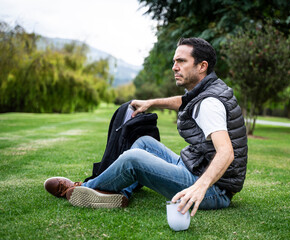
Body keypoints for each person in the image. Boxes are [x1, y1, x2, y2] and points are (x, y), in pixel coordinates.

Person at [44, 37, 247, 217]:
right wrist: (151, 102)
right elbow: (184, 102)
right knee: (143, 142)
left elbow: (226, 152)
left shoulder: (210, 103)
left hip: (212, 190)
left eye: (181, 61)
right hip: (194, 166)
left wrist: (200, 187)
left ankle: (82, 189)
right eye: (174, 61)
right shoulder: (207, 89)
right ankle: (120, 193)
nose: (174, 67)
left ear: (202, 66)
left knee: (134, 159)